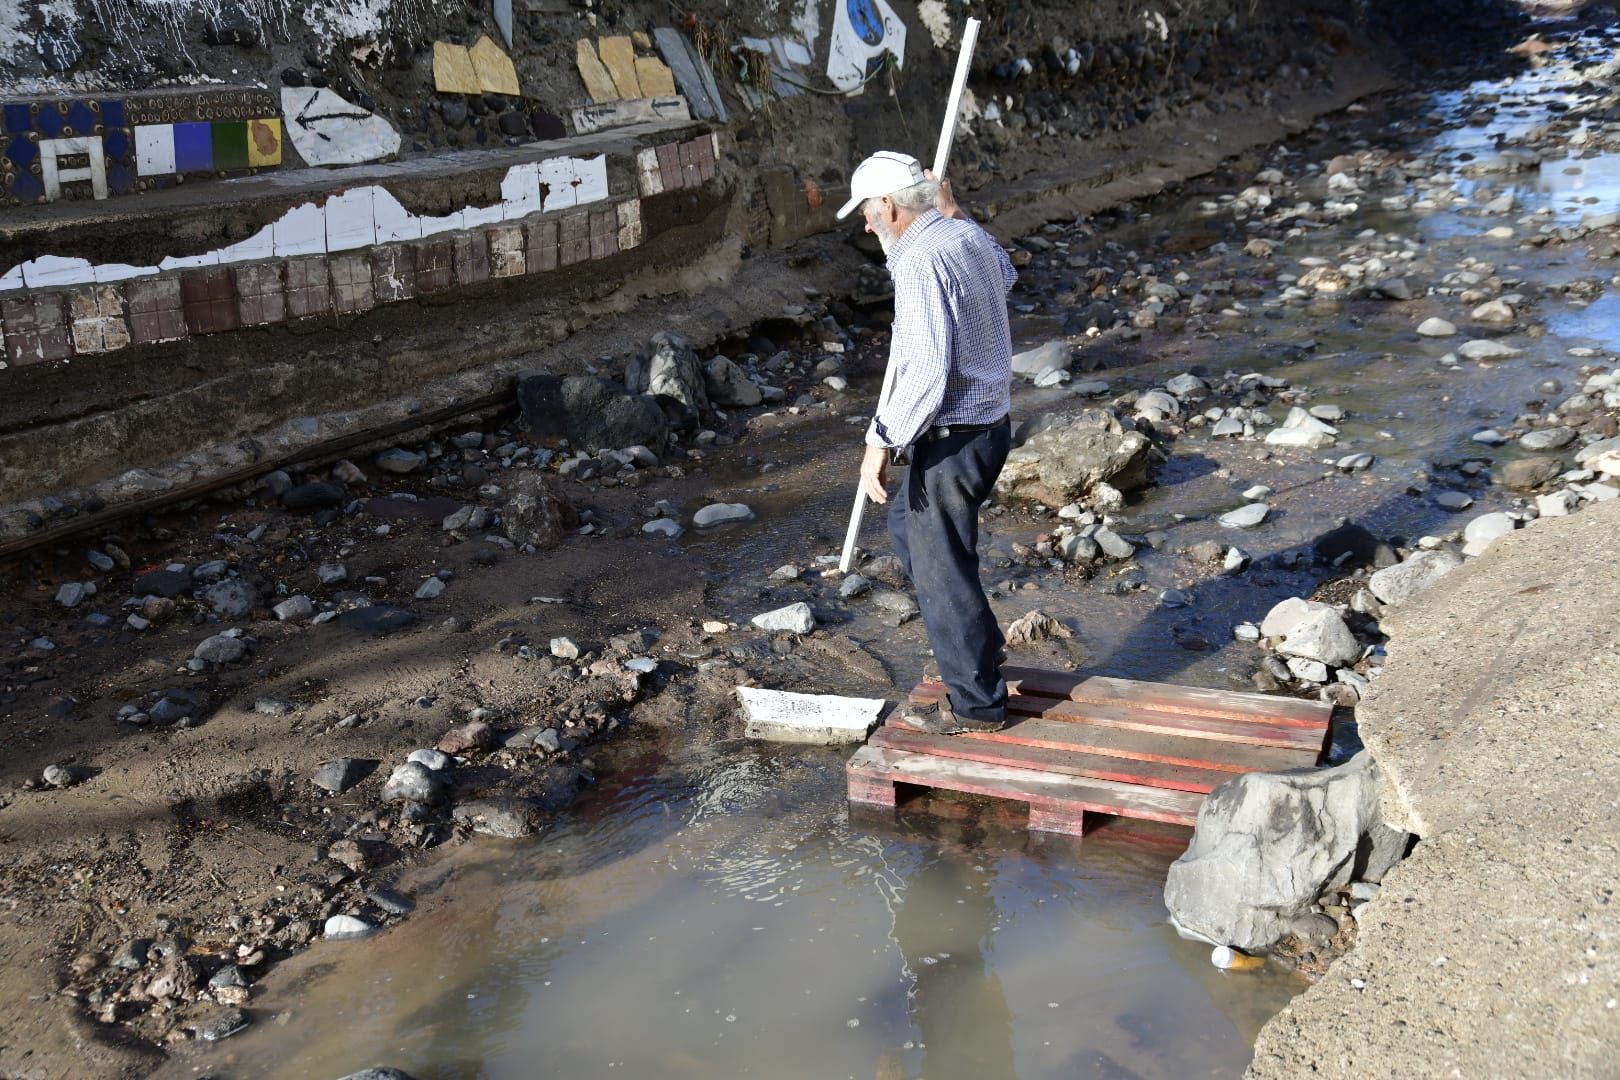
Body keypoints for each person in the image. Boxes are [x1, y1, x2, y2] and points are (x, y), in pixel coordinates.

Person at [835, 150, 1017, 735]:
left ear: (888, 206)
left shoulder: (919, 260)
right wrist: (955, 207)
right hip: (990, 427)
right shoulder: (962, 236)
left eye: (866, 211)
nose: (865, 224)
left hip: (953, 437)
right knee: (908, 537)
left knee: (941, 573)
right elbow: (1006, 272)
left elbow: (926, 369)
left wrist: (880, 441)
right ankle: (982, 648)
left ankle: (977, 708)